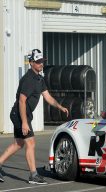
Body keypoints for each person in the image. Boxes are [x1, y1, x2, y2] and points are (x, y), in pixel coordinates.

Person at [0, 49, 69, 184]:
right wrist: (24, 122)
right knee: (30, 142)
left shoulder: (39, 78)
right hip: (20, 114)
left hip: (23, 114)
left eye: (42, 61)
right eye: (38, 62)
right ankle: (33, 175)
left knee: (18, 143)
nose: (41, 64)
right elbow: (21, 101)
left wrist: (59, 106)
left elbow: (47, 96)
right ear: (31, 63)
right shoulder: (28, 79)